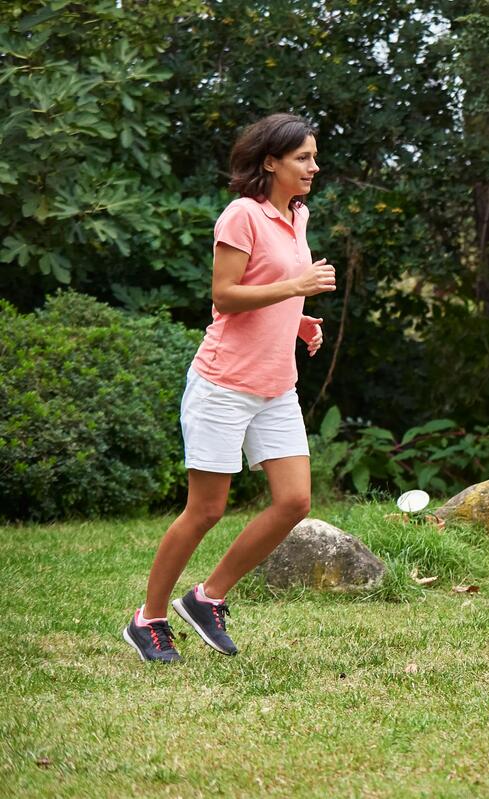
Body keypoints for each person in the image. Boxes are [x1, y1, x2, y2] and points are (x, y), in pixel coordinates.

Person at [125, 113, 335, 662]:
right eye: (303, 158)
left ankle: (207, 596)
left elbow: (275, 293)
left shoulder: (298, 215)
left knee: (293, 500)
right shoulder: (242, 214)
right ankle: (148, 619)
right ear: (271, 162)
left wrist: (298, 318)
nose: (314, 166)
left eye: (313, 157)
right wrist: (296, 288)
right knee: (206, 509)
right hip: (223, 382)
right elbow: (224, 296)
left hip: (276, 384)